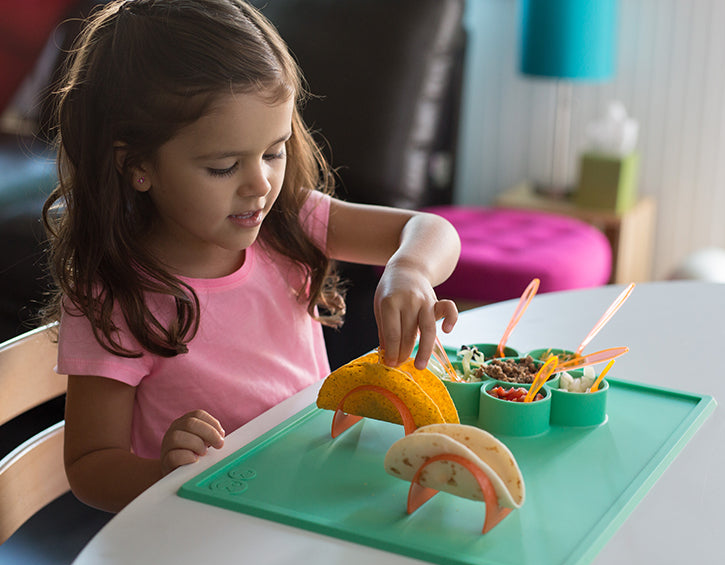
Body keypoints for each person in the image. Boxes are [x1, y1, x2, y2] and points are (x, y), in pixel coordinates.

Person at [41, 0, 461, 513]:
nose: (260, 184)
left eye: (274, 151)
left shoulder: (287, 222)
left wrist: (410, 269)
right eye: (223, 166)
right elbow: (90, 465)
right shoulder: (113, 294)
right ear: (138, 166)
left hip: (309, 496)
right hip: (206, 531)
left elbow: (430, 229)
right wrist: (162, 473)